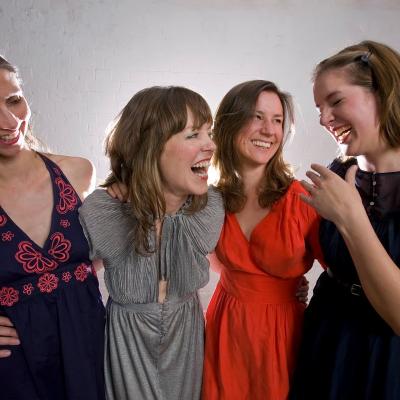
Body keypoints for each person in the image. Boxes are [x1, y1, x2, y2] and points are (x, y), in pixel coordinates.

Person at [78, 86, 225, 400]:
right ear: (150, 146)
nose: (211, 145)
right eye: (193, 134)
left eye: (209, 133)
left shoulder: (210, 207)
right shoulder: (105, 210)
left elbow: (235, 263)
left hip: (185, 335)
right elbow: (64, 276)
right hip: (127, 342)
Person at [289, 40, 400, 400]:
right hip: (327, 340)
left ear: (382, 92)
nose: (324, 119)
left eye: (335, 101)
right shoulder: (337, 171)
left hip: (386, 358)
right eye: (320, 109)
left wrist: (351, 218)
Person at [201, 80, 324, 400]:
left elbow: (344, 275)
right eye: (257, 117)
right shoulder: (211, 200)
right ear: (230, 123)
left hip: (282, 337)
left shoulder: (304, 199)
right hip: (225, 331)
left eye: (277, 120)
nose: (269, 130)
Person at [0, 56, 105, 399]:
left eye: (14, 100)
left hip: (89, 349)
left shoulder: (77, 173)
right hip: (13, 368)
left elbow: (102, 254)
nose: (9, 121)